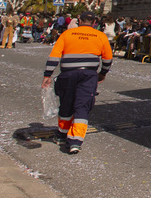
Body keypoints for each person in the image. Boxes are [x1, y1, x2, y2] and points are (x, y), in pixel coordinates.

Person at [42, 11, 113, 155]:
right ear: (94, 22)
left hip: (68, 74)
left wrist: (48, 74)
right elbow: (107, 59)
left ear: (79, 20)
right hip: (88, 74)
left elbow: (54, 56)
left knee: (66, 104)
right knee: (82, 106)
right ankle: (75, 141)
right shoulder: (100, 36)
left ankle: (62, 135)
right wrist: (103, 73)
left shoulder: (67, 34)